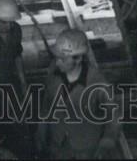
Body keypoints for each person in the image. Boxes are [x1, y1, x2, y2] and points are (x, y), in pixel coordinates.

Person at [37, 28, 120, 159]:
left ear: (78, 58)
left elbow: (114, 116)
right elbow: (45, 112)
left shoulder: (97, 81)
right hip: (58, 149)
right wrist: (40, 138)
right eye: (56, 58)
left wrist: (108, 140)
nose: (57, 62)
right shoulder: (53, 79)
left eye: (62, 59)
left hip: (86, 151)